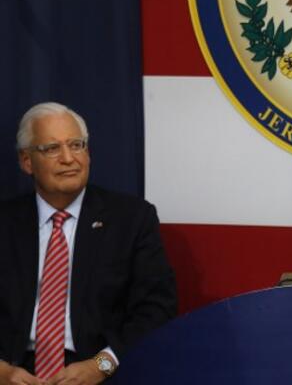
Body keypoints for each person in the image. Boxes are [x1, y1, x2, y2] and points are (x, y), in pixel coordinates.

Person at [0, 103, 177, 384]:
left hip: (102, 370)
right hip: (14, 367)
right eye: (52, 148)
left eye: (77, 145)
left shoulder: (131, 219)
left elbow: (157, 309)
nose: (68, 158)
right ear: (26, 161)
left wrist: (102, 365)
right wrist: (2, 372)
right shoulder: (6, 223)